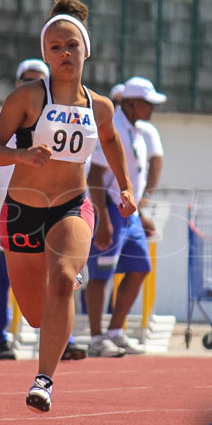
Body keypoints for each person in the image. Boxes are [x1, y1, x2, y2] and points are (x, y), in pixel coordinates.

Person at [0, 0, 136, 413]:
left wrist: (124, 188)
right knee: (35, 315)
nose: (64, 53)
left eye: (71, 45)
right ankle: (64, 282)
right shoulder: (28, 98)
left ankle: (44, 381)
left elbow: (110, 141)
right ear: (45, 54)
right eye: (55, 47)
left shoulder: (100, 106)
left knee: (64, 280)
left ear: (86, 49)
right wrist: (21, 155)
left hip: (72, 204)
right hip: (21, 211)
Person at [0, 59, 83, 361]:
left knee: (60, 275)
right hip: (11, 211)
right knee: (1, 276)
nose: (33, 84)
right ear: (17, 82)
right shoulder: (0, 118)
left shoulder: (62, 117)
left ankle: (62, 338)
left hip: (52, 209)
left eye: (39, 79)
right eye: (27, 79)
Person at [85, 76, 167, 356]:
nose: (152, 108)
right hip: (109, 207)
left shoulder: (138, 129)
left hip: (128, 213)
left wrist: (139, 211)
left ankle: (116, 331)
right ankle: (96, 338)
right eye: (148, 103)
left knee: (140, 267)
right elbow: (94, 175)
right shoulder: (113, 126)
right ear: (131, 103)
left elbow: (138, 174)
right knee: (100, 274)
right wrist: (103, 219)